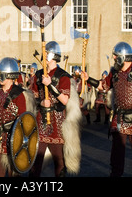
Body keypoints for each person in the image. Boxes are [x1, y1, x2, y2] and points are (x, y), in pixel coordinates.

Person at [89, 42, 132, 177]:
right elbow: (103, 86)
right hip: (119, 118)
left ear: (123, 57)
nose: (114, 58)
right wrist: (88, 79)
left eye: (116, 56)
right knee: (116, 154)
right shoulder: (114, 72)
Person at [30, 41, 82, 177]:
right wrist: (41, 102)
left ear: (52, 55)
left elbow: (65, 99)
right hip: (41, 121)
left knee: (59, 161)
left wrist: (50, 84)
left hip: (57, 123)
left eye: (46, 53)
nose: (44, 55)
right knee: (36, 161)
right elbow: (32, 96)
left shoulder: (63, 76)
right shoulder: (39, 74)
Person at [0, 57, 35, 177]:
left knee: (13, 173)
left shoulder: (19, 94)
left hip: (13, 139)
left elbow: (23, 121)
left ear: (9, 75)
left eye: (1, 74)